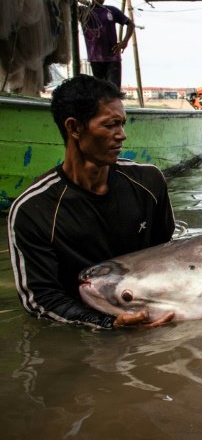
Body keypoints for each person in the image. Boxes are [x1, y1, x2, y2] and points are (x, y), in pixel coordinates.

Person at [8, 75, 176, 329]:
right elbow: (40, 300)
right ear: (74, 128)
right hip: (86, 326)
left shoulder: (149, 183)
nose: (123, 136)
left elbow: (168, 256)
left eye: (123, 124)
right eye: (111, 125)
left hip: (153, 316)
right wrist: (107, 324)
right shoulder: (33, 210)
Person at [79, 0, 135, 88]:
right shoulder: (83, 11)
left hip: (112, 59)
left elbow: (130, 24)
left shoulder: (111, 10)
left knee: (113, 90)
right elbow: (70, 2)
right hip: (95, 59)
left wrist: (124, 41)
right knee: (100, 92)